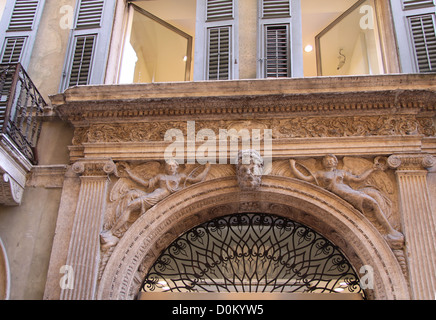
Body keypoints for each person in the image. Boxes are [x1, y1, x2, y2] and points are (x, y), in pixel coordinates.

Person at [289, 155, 404, 246]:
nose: (329, 162)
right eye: (327, 160)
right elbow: (304, 178)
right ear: (323, 163)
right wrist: (293, 165)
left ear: (335, 162)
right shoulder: (321, 173)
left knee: (373, 202)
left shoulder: (341, 172)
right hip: (337, 196)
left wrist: (372, 169)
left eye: (331, 160)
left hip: (350, 193)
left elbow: (358, 179)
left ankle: (389, 230)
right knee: (371, 203)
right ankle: (389, 230)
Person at [101, 161, 211, 248]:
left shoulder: (180, 177)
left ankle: (112, 232)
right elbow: (145, 183)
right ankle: (112, 232)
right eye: (169, 166)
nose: (171, 168)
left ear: (176, 167)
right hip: (154, 196)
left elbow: (197, 179)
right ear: (166, 167)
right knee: (130, 204)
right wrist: (129, 173)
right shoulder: (160, 177)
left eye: (173, 166)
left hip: (162, 198)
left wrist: (207, 168)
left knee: (131, 206)